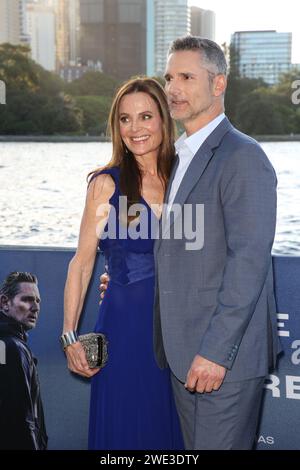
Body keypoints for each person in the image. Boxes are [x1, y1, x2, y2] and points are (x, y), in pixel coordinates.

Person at [101, 36, 281, 450]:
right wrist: (126, 278)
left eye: (186, 76)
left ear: (219, 84)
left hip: (222, 361)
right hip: (180, 354)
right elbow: (178, 248)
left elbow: (248, 262)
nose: (174, 89)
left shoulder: (243, 156)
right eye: (169, 77)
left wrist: (217, 353)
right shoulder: (178, 158)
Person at [62, 77, 183, 450]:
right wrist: (69, 337)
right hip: (125, 328)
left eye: (146, 116)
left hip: (180, 334)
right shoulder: (106, 185)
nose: (135, 129)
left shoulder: (188, 177)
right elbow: (82, 263)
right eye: (125, 119)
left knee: (171, 436)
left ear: (164, 119)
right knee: (126, 433)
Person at [0, 271, 48, 450]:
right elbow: (23, 418)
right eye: (27, 299)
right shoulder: (14, 348)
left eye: (38, 301)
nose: (35, 307)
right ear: (5, 303)